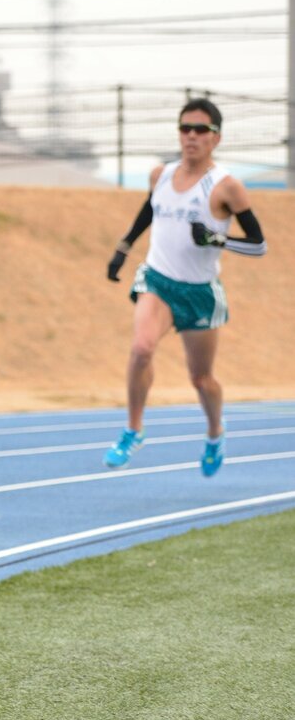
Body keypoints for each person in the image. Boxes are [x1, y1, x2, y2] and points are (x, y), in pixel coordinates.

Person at [103, 98, 265, 475]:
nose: (191, 136)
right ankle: (133, 430)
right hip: (158, 279)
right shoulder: (160, 175)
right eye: (185, 128)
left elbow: (258, 245)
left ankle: (215, 432)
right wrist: (122, 250)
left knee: (201, 379)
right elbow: (149, 210)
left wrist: (216, 239)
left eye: (201, 130)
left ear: (216, 138)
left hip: (199, 292)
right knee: (141, 348)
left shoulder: (226, 187)